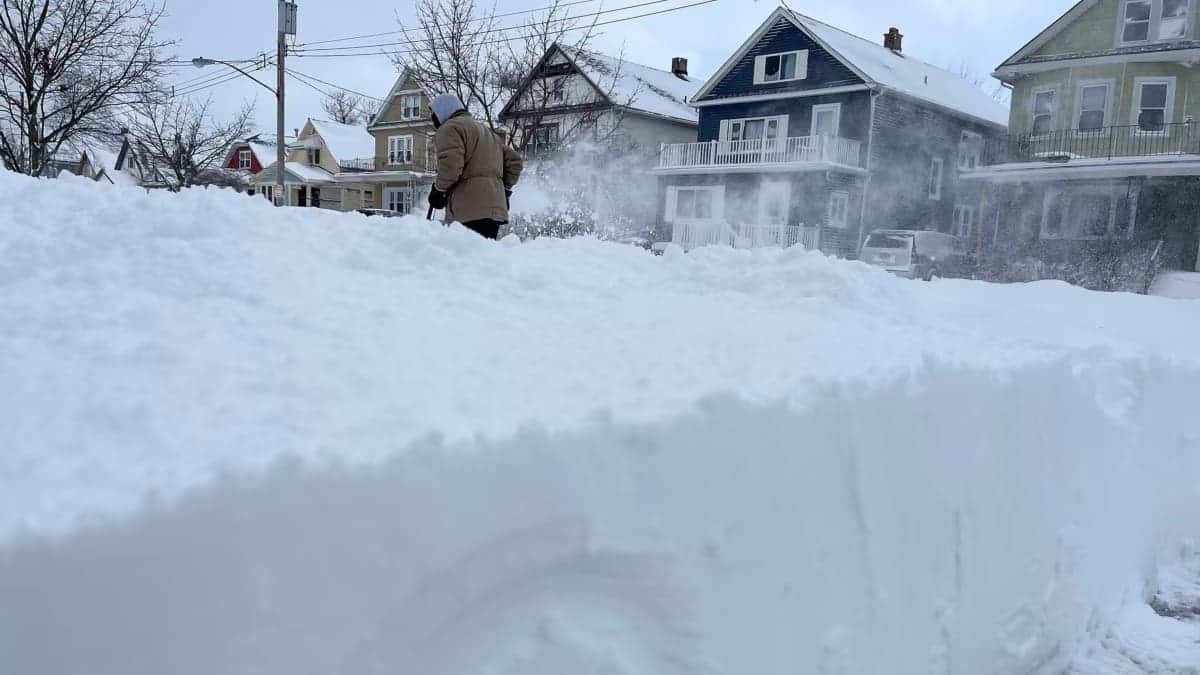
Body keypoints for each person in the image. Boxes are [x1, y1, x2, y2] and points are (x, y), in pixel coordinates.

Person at [427, 93, 523, 240]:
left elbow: (451, 166)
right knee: (483, 259)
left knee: (466, 259)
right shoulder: (488, 133)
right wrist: (505, 191)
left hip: (469, 210)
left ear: (442, 112)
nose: (434, 121)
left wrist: (438, 190)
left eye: (434, 115)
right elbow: (515, 162)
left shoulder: (450, 128)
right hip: (495, 210)